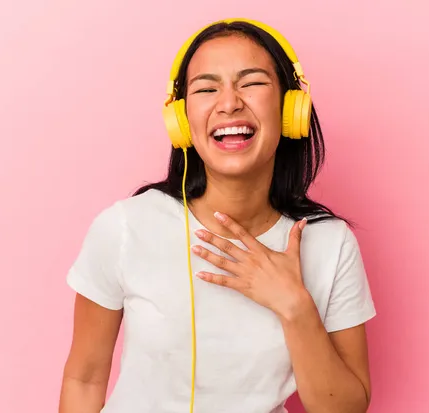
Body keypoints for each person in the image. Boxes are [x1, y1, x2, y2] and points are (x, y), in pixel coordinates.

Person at [59, 18, 376, 413]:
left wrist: (294, 306)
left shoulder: (330, 243)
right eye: (207, 88)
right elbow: (84, 379)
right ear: (181, 121)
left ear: (290, 107)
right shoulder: (125, 227)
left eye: (252, 83)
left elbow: (345, 409)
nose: (229, 103)